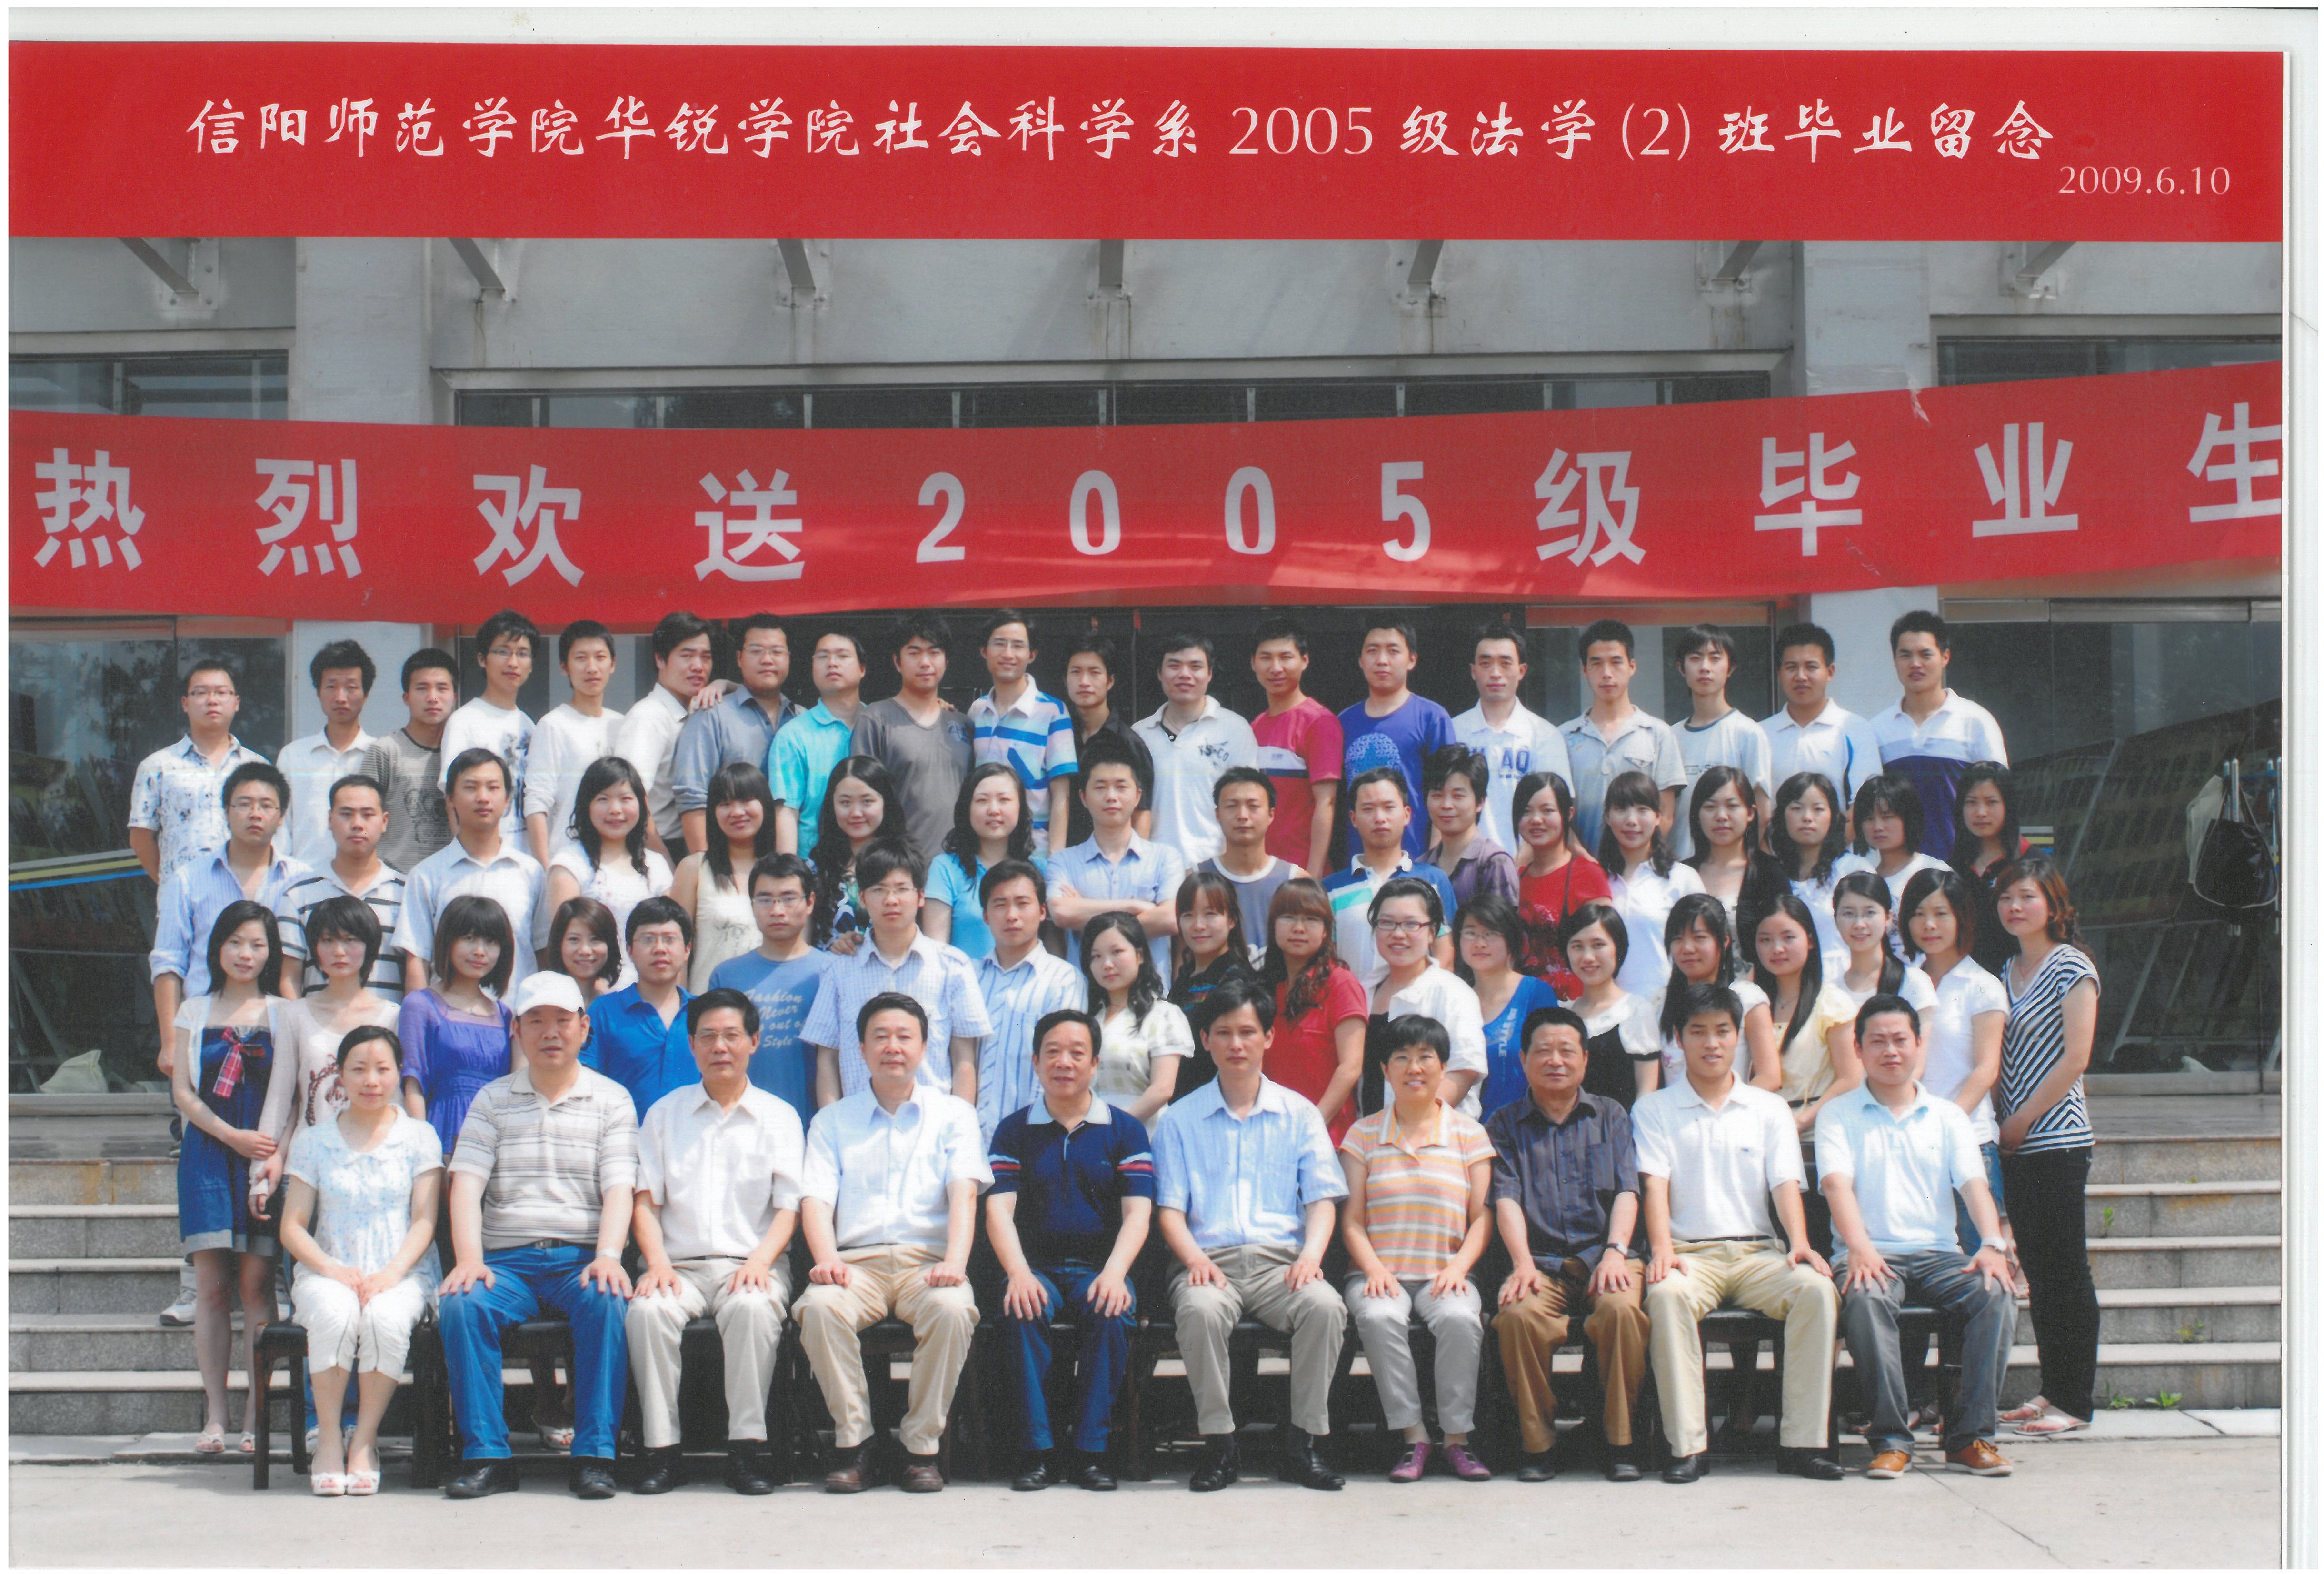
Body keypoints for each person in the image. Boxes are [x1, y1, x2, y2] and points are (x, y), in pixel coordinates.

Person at [436, 971, 638, 1501]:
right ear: (517, 1030)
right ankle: (488, 1456)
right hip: (508, 1263)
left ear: (584, 1027)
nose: (551, 1032)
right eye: (536, 1021)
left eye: (562, 1020)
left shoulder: (612, 1100)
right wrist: (469, 1259)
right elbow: (466, 1186)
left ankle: (595, 1456)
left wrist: (609, 1255)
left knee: (608, 1298)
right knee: (462, 1303)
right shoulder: (492, 1100)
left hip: (580, 1259)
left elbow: (619, 1187)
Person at [1149, 978, 1349, 1493]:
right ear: (1205, 1041)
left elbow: (1321, 1200)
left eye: (1247, 1032)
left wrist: (1310, 1258)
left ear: (1268, 1038)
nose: (1236, 1044)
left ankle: (1302, 1445)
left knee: (1325, 1307)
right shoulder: (1179, 1120)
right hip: (1206, 1260)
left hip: (1280, 1263)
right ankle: (1220, 1446)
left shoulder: (1300, 1114)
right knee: (1199, 1312)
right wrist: (1195, 1260)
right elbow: (1170, 1211)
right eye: (1223, 1033)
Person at [1637, 981, 1842, 1484]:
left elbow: (1785, 1184)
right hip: (1689, 1255)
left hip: (1758, 1255)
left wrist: (1799, 1244)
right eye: (1698, 1032)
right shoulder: (1654, 1110)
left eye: (1722, 1031)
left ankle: (1803, 1444)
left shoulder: (1768, 1109)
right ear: (1678, 1039)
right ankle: (1688, 1447)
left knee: (1816, 1291)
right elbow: (1654, 1186)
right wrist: (1661, 1249)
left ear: (1738, 1038)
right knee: (1666, 1296)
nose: (1711, 1043)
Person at [795, 993, 991, 1494]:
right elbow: (815, 1200)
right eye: (880, 1037)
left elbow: (964, 1195)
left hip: (927, 1263)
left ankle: (919, 1448)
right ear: (861, 1049)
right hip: (855, 1265)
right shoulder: (833, 1120)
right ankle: (855, 1443)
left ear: (925, 1047)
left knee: (953, 1310)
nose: (893, 1047)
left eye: (905, 1037)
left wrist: (955, 1262)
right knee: (818, 1307)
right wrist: (826, 1260)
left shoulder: (954, 1115)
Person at [1819, 994, 2018, 1479]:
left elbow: (1974, 1186)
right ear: (1858, 1048)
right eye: (1877, 1041)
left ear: (1918, 1045)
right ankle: (1890, 1439)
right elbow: (1836, 1185)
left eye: (1900, 1040)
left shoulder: (1948, 1116)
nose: (1890, 1051)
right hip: (1870, 1253)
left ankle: (1970, 1438)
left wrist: (1992, 1245)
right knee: (1866, 1298)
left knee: (1995, 1292)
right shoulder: (1838, 1113)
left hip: (1939, 1255)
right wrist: (1859, 1247)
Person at [625, 988, 807, 1497]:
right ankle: (661, 1451)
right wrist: (656, 1263)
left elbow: (789, 1208)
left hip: (751, 1262)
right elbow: (645, 1202)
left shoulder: (779, 1116)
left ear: (754, 1041)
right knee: (646, 1312)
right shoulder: (664, 1114)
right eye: (707, 1037)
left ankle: (746, 1451)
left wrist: (761, 1262)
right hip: (677, 1265)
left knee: (752, 1308)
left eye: (731, 1036)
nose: (719, 1047)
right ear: (691, 1045)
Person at [986, 1008, 1155, 1492]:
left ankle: (1090, 1452)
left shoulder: (1124, 1130)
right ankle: (1037, 1452)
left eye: (1077, 1053)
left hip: (1098, 1268)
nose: (1065, 1062)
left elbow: (1138, 1214)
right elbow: (998, 1211)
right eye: (1053, 1053)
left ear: (1095, 1063)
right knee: (1021, 1308)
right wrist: (1019, 1274)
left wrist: (1115, 1274)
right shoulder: (1013, 1130)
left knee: (1112, 1311)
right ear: (1035, 1062)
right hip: (1035, 1267)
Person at [1488, 1006, 1652, 1482]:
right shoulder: (1503, 1124)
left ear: (1585, 1059)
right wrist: (1521, 1263)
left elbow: (1627, 1191)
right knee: (1518, 1316)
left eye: (1566, 1051)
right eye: (1543, 1051)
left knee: (1621, 1311)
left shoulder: (1611, 1115)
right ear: (1523, 1060)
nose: (1555, 1060)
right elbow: (1505, 1199)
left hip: (1608, 1255)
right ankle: (1538, 1444)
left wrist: (1616, 1251)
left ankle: (1618, 1441)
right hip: (1540, 1262)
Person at [278, 1024, 442, 1495]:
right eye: (359, 1070)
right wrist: (333, 1269)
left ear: (398, 1073)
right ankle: (329, 1438)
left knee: (385, 1318)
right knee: (335, 1312)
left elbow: (425, 1220)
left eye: (383, 1069)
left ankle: (365, 1441)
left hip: (402, 1271)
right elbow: (293, 1226)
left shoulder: (419, 1137)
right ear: (340, 1075)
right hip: (329, 1269)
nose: (372, 1080)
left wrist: (391, 1274)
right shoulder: (314, 1141)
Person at [1337, 1016, 1496, 1483]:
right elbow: (1352, 1220)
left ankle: (1457, 1438)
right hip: (1377, 1272)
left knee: (1461, 1318)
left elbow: (1482, 1216)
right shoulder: (1363, 1135)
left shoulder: (1469, 1133)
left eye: (1426, 1057)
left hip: (1445, 1271)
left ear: (1443, 1067)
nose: (1414, 1068)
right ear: (1384, 1069)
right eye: (1402, 1058)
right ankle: (1414, 1436)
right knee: (1379, 1317)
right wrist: (1373, 1269)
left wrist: (1460, 1268)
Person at [1991, 856, 2102, 1438]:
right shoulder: (2006, 970)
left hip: (2057, 1139)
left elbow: (2077, 1058)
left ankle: (2075, 1400)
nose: (2015, 907)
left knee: (2066, 1270)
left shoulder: (2071, 966)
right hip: (2015, 1143)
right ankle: (2051, 1388)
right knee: (2037, 1269)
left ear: (2053, 904)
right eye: (2006, 898)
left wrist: (2023, 1119)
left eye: (2027, 896)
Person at [169, 902, 285, 1455]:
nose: (245, 954)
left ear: (271, 953)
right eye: (236, 942)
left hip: (263, 1157)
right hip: (208, 1156)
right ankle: (215, 1415)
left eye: (257, 944)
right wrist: (230, 1136)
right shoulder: (193, 1010)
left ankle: (257, 1415)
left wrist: (263, 1150)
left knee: (257, 1286)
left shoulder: (285, 1014)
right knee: (212, 1289)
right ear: (218, 947)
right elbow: (183, 1093)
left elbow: (292, 1094)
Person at [152, 763, 309, 1076]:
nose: (255, 814)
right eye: (244, 804)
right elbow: (169, 963)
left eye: (266, 806)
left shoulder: (303, 882)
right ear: (226, 811)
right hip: (202, 1033)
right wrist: (170, 1043)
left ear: (281, 816)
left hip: (279, 1035)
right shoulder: (188, 880)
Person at [802, 844, 990, 1104]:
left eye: (902, 889)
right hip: (857, 1122)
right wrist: (831, 1122)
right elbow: (827, 1060)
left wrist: (961, 1121)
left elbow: (964, 1059)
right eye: (879, 890)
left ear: (921, 897)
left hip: (933, 1121)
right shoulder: (839, 970)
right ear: (863, 898)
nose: (891, 900)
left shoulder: (952, 967)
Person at [255, 896, 400, 1197]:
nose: (339, 951)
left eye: (350, 940)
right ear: (315, 949)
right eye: (328, 940)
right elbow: (281, 1096)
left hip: (375, 1167)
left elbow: (396, 1099)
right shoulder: (294, 1014)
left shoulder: (392, 1016)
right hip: (307, 1167)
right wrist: (263, 1166)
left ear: (370, 946)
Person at [1899, 868, 2010, 1253]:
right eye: (1918, 914)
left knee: (1979, 1260)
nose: (1928, 925)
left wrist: (1944, 1124)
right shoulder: (1903, 983)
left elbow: (1986, 1069)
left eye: (1940, 914)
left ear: (1961, 917)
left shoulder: (1981, 986)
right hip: (1907, 1141)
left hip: (1968, 1139)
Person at [395, 749, 547, 995]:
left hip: (517, 1014)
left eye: (493, 788)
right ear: (450, 799)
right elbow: (417, 960)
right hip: (448, 1015)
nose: (483, 798)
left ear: (508, 799)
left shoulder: (531, 873)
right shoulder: (426, 875)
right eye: (470, 788)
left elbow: (543, 952)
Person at [1874, 611, 2008, 864]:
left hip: (1964, 870)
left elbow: (1999, 800)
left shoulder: (1976, 722)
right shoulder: (1878, 730)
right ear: (1895, 660)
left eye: (1926, 654)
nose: (1916, 664)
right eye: (1906, 655)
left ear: (1945, 657)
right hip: (1901, 873)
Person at [1047, 737, 1185, 978]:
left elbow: (1169, 919)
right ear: (1084, 798)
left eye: (1121, 787)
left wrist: (1086, 913)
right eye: (1100, 788)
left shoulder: (1166, 858)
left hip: (1150, 993)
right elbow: (1062, 913)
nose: (1111, 797)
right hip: (1087, 995)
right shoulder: (1063, 862)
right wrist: (1135, 907)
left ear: (1138, 796)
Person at [707, 853, 830, 1121]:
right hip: (741, 1123)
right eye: (765, 899)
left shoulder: (832, 972)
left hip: (814, 1123)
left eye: (789, 898)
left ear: (810, 902)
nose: (777, 910)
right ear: (751, 904)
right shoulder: (727, 976)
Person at [970, 860, 1086, 1141]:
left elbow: (1063, 1062)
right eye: (1000, 905)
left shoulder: (1063, 980)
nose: (1012, 916)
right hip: (970, 1141)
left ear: (1043, 911)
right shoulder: (968, 976)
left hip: (1034, 1139)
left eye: (1023, 904)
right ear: (985, 915)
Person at [129, 658, 269, 885]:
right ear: (185, 703)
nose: (212, 700)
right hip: (182, 898)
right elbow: (141, 838)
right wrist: (170, 886)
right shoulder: (157, 766)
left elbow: (270, 833)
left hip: (244, 895)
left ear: (236, 702)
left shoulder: (258, 768)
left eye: (221, 693)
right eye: (201, 693)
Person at [398, 896, 518, 1159]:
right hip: (442, 1133)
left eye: (491, 942)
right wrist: (424, 1152)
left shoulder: (506, 1015)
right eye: (469, 938)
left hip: (496, 1139)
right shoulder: (421, 1005)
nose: (480, 951)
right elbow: (414, 1084)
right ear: (448, 941)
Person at [851, 613, 976, 866]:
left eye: (934, 653)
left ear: (946, 661)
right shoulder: (876, 719)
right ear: (897, 662)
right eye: (914, 652)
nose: (925, 662)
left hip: (959, 869)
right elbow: (860, 799)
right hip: (900, 869)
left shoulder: (964, 724)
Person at [543, 757, 675, 988]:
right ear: (587, 805)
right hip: (592, 997)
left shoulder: (657, 866)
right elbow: (563, 945)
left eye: (625, 799)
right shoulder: (570, 864)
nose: (615, 810)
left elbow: (673, 937)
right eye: (603, 799)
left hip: (649, 994)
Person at [674, 614, 799, 856]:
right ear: (739, 658)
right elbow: (692, 799)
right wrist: (709, 867)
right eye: (756, 651)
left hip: (789, 864)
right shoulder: (711, 717)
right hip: (730, 860)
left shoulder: (801, 720)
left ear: (789, 659)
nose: (767, 660)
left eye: (777, 652)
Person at [1557, 619, 1686, 855]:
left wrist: (1636, 861)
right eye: (1596, 663)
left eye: (1616, 662)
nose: (1607, 674)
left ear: (1632, 666)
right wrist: (1587, 865)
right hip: (1580, 867)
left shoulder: (1658, 734)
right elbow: (1558, 813)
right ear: (1584, 670)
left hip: (1639, 866)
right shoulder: (1564, 737)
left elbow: (1666, 814)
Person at [1362, 878, 1487, 1119]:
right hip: (1368, 1133)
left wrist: (1408, 1125)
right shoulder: (1364, 989)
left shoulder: (1454, 993)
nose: (1398, 934)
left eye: (1411, 924)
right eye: (1387, 923)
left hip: (1435, 1133)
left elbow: (1464, 1070)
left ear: (1432, 932)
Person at [276, 774, 407, 1002]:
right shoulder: (299, 894)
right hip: (317, 1023)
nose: (357, 824)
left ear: (384, 821)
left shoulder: (406, 893)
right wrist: (301, 1021)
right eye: (346, 814)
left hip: (389, 1023)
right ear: (330, 820)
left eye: (368, 815)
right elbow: (290, 977)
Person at [1132, 631, 1258, 866]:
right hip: (1153, 869)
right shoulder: (1139, 734)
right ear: (1160, 673)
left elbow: (1247, 806)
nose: (1185, 674)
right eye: (1174, 666)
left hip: (1215, 869)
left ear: (1210, 674)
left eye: (1196, 666)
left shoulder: (1235, 729)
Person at [1452, 617, 1573, 857]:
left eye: (1505, 663)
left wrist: (1520, 866)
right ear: (1474, 671)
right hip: (1465, 865)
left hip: (1527, 866)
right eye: (1486, 664)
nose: (1496, 673)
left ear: (1522, 671)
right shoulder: (1454, 731)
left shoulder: (1545, 735)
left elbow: (1557, 811)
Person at [1323, 767, 1457, 983]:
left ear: (1406, 815)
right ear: (1354, 818)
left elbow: (1445, 956)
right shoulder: (1331, 889)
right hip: (1353, 1003)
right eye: (1368, 809)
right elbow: (1327, 960)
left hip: (1418, 1003)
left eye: (1389, 808)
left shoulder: (1433, 881)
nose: (1379, 818)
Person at [1337, 617, 1456, 862]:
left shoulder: (1431, 718)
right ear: (1361, 660)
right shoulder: (1343, 722)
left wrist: (1435, 863)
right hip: (1356, 864)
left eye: (1393, 651)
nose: (1382, 660)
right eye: (1373, 651)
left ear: (1412, 659)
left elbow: (1445, 794)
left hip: (1415, 862)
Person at [1259, 878, 1369, 1141]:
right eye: (1288, 917)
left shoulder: (1340, 983)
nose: (1299, 928)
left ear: (1326, 931)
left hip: (1327, 1137)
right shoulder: (1264, 987)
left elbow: (1351, 1067)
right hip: (1270, 1134)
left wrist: (1312, 1125)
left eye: (1311, 919)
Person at [968, 610, 1077, 860]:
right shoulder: (977, 711)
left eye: (1018, 646)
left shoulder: (1053, 711)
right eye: (999, 644)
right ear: (984, 651)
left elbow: (1061, 794)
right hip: (984, 852)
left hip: (1034, 854)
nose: (1008, 654)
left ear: (1032, 655)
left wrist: (1056, 860)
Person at [1648, 894, 1781, 1096]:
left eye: (1699, 938)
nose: (1687, 948)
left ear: (1724, 940)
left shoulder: (1747, 999)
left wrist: (1723, 1109)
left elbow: (1770, 1076)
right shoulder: (1660, 1003)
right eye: (1678, 939)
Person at [1755, 891, 1862, 1141]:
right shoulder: (1754, 1004)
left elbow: (1851, 1078)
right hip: (1764, 1134)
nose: (1777, 949)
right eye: (1766, 940)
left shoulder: (1831, 1003)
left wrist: (1803, 1121)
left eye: (1788, 938)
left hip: (1818, 1135)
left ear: (1810, 941)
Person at [581, 897, 697, 1121]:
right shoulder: (605, 1012)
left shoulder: (703, 1013)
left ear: (687, 950)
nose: (660, 949)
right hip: (623, 1138)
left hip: (693, 1138)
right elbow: (587, 1083)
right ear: (630, 950)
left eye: (670, 939)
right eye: (648, 939)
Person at [614, 610, 717, 859]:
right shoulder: (649, 717)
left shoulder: (697, 711)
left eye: (705, 657)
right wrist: (665, 862)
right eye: (687, 656)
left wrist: (722, 685)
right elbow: (630, 798)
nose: (698, 666)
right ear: (660, 660)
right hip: (658, 848)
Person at [668, 763, 781, 988]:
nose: (737, 812)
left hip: (771, 1003)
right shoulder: (694, 869)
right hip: (708, 1002)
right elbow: (677, 948)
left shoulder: (784, 872)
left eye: (746, 800)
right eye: (725, 804)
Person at [1669, 624, 1773, 861]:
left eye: (1715, 658)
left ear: (1730, 668)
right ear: (1681, 669)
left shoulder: (1748, 734)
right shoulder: (1670, 737)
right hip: (1679, 868)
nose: (1705, 667)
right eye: (1695, 658)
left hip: (1733, 869)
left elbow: (1762, 814)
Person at [523, 620, 622, 867]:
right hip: (569, 858)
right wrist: (546, 867)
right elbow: (537, 801)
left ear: (612, 664)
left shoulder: (622, 725)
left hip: (616, 858)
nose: (592, 668)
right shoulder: (553, 725)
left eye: (600, 657)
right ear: (564, 667)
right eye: (581, 658)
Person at [1249, 615, 1342, 877]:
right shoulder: (1255, 726)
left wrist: (1313, 876)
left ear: (1304, 661)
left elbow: (1326, 803)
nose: (1276, 668)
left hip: (1300, 872)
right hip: (1260, 870)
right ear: (1253, 663)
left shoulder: (1319, 722)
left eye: (1286, 657)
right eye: (1266, 658)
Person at [438, 608, 539, 847]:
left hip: (525, 857)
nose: (513, 662)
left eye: (522, 654)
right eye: (503, 652)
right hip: (482, 856)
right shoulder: (464, 721)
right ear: (482, 659)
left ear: (531, 665)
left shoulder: (529, 725)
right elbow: (453, 800)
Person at [1601, 768, 1706, 999]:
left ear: (1658, 817)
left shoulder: (1682, 879)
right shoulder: (1597, 880)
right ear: (1608, 816)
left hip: (1666, 1007)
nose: (1632, 821)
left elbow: (1703, 952)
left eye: (1643, 810)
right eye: (1621, 809)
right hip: (1609, 1010)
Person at [1761, 623, 1884, 818]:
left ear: (1830, 672)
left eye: (1811, 667)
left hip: (1838, 839)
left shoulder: (1855, 729)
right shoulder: (1761, 734)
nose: (1801, 677)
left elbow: (1864, 803)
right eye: (1791, 667)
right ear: (1779, 674)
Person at [1456, 892, 1562, 1116]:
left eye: (1490, 934)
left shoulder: (1535, 994)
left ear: (1511, 940)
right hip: (1466, 1132)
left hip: (1523, 1128)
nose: (1480, 943)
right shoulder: (1455, 1000)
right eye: (1471, 933)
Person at [1082, 910, 1192, 1124]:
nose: (1107, 964)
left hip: (1142, 1130)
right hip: (1089, 1130)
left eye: (1117, 952)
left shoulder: (1163, 1015)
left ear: (1140, 956)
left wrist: (1118, 1130)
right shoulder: (1088, 1017)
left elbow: (1163, 1089)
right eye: (1096, 956)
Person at [277, 640, 377, 870]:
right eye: (331, 687)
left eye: (351, 687)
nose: (341, 697)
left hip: (362, 881)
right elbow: (281, 827)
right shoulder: (293, 757)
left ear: (366, 694)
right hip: (303, 880)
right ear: (319, 692)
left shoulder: (380, 754)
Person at [1511, 770, 1612, 997]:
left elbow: (1606, 948)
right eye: (1526, 811)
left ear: (1568, 814)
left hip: (1574, 1005)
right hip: (1526, 1003)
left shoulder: (1588, 875)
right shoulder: (1517, 878)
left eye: (1547, 811)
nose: (1536, 820)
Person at [926, 762, 1037, 963]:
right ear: (967, 808)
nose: (994, 810)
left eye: (1004, 800)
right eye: (982, 801)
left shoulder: (1039, 870)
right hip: (963, 982)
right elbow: (936, 952)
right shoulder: (946, 868)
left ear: (1021, 808)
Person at [771, 628, 868, 859]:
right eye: (823, 657)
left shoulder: (882, 725)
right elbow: (787, 813)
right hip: (815, 867)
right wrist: (791, 873)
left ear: (862, 669)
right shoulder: (793, 736)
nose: (832, 663)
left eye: (842, 656)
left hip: (876, 867)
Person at [361, 648, 459, 875]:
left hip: (452, 878)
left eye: (442, 688)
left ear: (455, 697)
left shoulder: (462, 753)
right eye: (422, 688)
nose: (432, 698)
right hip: (396, 879)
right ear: (406, 697)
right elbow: (364, 818)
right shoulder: (385, 751)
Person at [1835, 774, 1950, 958]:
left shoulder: (1935, 871)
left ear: (1909, 819)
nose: (1878, 827)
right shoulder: (1858, 874)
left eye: (1888, 817)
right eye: (1869, 819)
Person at [1059, 631, 1155, 848]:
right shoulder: (1059, 736)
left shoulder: (1129, 743)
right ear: (1066, 680)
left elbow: (1142, 813)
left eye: (1094, 672)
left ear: (1110, 681)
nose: (1084, 682)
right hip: (1065, 858)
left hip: (1113, 858)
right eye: (1076, 672)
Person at [1198, 767, 1303, 963]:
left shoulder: (1296, 881)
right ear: (1218, 814)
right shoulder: (1197, 878)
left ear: (1271, 814)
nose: (1242, 816)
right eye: (1232, 806)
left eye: (1253, 806)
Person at [1559, 903, 1659, 1106]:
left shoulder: (1636, 1011)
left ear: (1618, 948)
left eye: (1598, 945)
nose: (1588, 957)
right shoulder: (1561, 1013)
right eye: (1577, 946)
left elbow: (1646, 1094)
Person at [806, 755, 909, 948]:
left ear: (885, 803)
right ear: (832, 805)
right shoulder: (814, 869)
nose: (856, 813)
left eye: (867, 801)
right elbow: (802, 947)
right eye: (845, 803)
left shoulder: (905, 864)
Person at [1681, 764, 1788, 944]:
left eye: (1732, 806)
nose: (1722, 816)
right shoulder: (1681, 873)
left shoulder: (1770, 873)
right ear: (1697, 815)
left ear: (1750, 813)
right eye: (1710, 807)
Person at [1947, 762, 2031, 976]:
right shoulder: (1951, 870)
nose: (1981, 812)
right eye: (1971, 803)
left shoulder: (2030, 862)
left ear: (2008, 805)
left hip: (2020, 981)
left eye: (1992, 802)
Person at [1423, 744, 1519, 910]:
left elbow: (1502, 924)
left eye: (1458, 796)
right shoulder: (1422, 865)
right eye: (1438, 795)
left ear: (1480, 802)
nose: (1447, 805)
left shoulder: (1494, 863)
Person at [1832, 871, 1939, 1019]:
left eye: (1870, 913)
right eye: (1849, 914)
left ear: (1888, 918)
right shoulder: (1830, 991)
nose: (1859, 924)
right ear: (1836, 920)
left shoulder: (1913, 982)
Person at [1772, 771, 1849, 962]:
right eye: (1797, 808)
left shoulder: (1852, 870)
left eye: (1818, 809)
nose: (1807, 818)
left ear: (1833, 815)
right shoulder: (1771, 873)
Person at [547, 897, 622, 999]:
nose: (585, 951)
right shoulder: (544, 1002)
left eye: (595, 939)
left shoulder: (614, 1004)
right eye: (574, 939)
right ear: (559, 944)